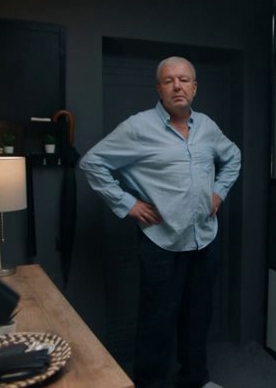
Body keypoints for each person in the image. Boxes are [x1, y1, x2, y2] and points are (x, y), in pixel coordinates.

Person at [79, 56, 241, 388]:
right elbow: (93, 162)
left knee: (198, 317)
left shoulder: (207, 127)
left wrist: (219, 192)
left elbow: (233, 155)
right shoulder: (138, 127)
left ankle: (195, 379)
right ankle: (150, 383)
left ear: (195, 87)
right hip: (161, 242)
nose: (177, 86)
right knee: (157, 321)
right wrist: (128, 204)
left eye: (184, 80)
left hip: (204, 239)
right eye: (169, 81)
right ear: (159, 88)